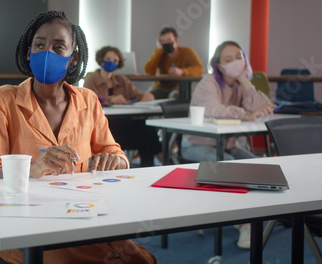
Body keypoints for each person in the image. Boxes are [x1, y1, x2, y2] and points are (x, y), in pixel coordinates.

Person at [0, 11, 156, 264]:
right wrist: (32, 170)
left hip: (84, 213)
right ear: (28, 52)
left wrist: (116, 161)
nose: (47, 53)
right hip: (26, 223)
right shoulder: (5, 99)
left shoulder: (88, 100)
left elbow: (115, 153)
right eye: (39, 45)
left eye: (59, 47)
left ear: (73, 59)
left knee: (140, 260)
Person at [180, 40, 275, 249]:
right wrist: (246, 114)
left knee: (260, 166)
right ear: (219, 66)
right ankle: (243, 223)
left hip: (226, 144)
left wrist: (244, 81)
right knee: (228, 164)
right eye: (228, 60)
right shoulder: (208, 82)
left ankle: (258, 214)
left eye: (239, 57)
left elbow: (263, 108)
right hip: (196, 144)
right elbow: (215, 110)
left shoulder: (241, 85)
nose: (235, 62)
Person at [83, 46, 161, 167]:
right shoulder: (90, 80)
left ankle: (150, 167)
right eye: (108, 59)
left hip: (124, 125)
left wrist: (148, 95)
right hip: (103, 128)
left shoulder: (123, 80)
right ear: (101, 60)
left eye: (115, 60)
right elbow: (87, 100)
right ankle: (163, 159)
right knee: (144, 134)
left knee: (147, 130)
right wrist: (109, 99)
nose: (111, 62)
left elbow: (139, 96)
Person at [144, 27, 204, 99]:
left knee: (176, 96)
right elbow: (148, 71)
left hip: (178, 87)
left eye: (169, 40)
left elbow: (199, 69)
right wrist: (160, 50)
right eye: (163, 41)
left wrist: (182, 72)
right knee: (147, 97)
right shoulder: (159, 53)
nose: (166, 43)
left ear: (176, 41)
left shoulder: (187, 52)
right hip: (159, 87)